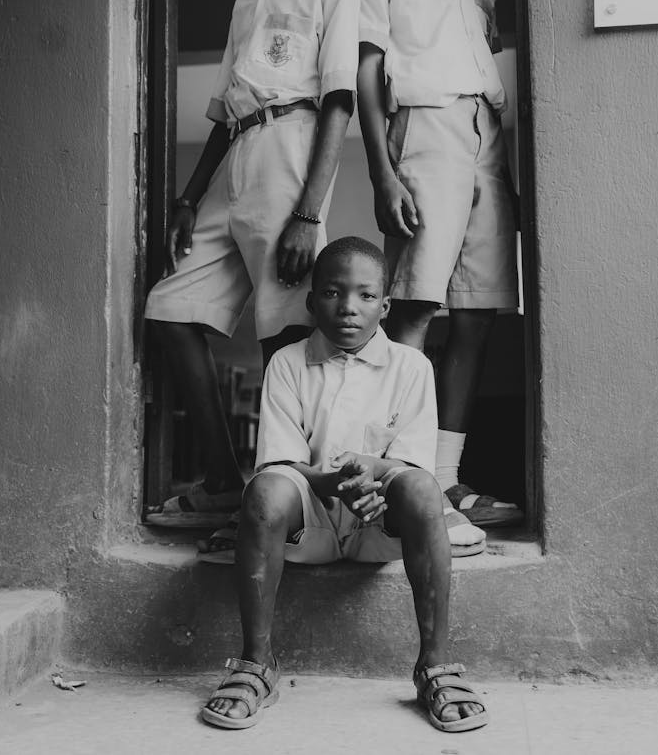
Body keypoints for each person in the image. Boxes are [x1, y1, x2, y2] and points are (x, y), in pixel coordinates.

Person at [144, 0, 359, 526]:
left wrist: (308, 212)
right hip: (233, 157)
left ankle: (285, 503)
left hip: (289, 158)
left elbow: (338, 100)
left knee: (282, 335)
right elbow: (220, 110)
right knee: (170, 310)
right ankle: (222, 479)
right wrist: (187, 197)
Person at [201, 237, 488, 734]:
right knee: (264, 491)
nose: (349, 308)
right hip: (309, 519)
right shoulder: (287, 363)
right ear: (312, 302)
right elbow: (282, 460)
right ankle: (256, 664)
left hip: (382, 524)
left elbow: (410, 463)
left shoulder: (411, 367)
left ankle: (435, 666)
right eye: (333, 293)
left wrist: (372, 472)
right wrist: (333, 482)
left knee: (422, 490)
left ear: (385, 305)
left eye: (365, 296)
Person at [351, 0, 522, 528]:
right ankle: (401, 485)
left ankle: (444, 483)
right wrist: (382, 175)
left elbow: (486, 55)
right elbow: (366, 71)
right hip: (422, 129)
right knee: (418, 309)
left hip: (486, 132)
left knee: (478, 314)